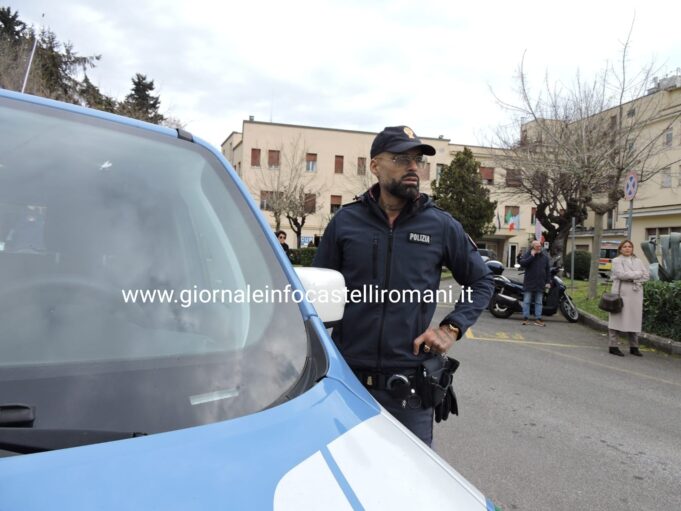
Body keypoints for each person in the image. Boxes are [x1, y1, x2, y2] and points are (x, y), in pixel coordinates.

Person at [312, 125, 494, 446]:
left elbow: (481, 280)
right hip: (348, 382)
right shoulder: (345, 222)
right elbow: (315, 291)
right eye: (401, 158)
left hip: (409, 391)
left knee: (412, 490)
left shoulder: (440, 225)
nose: (413, 167)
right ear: (375, 166)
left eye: (417, 160)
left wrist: (451, 328)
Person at [607, 240, 650, 357]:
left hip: (636, 293)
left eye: (629, 246)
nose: (627, 248)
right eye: (625, 246)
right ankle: (613, 346)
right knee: (617, 318)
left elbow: (646, 275)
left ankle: (634, 346)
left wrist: (633, 277)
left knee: (634, 319)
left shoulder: (638, 261)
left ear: (632, 248)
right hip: (621, 293)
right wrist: (637, 274)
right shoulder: (616, 260)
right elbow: (621, 275)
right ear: (620, 249)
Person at [518, 240, 551, 326]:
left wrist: (548, 282)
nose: (539, 248)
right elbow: (522, 263)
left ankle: (538, 319)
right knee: (527, 301)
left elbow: (548, 270)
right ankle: (526, 318)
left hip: (540, 283)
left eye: (540, 246)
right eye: (537, 246)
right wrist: (532, 256)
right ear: (533, 247)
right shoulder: (528, 255)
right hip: (529, 282)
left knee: (539, 302)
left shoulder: (544, 257)